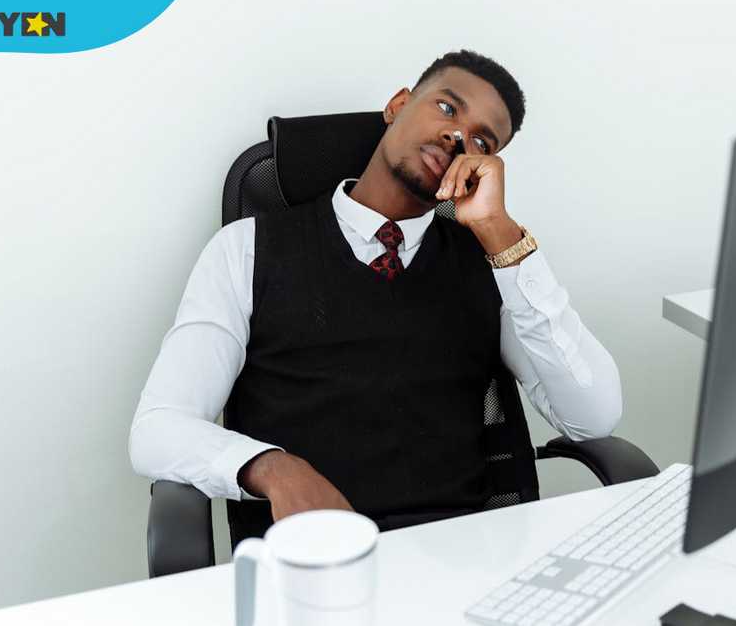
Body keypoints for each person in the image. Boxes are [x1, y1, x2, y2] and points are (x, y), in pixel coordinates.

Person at [129, 49, 623, 546]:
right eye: (448, 109)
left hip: (466, 560)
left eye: (481, 141)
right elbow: (158, 427)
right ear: (398, 105)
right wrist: (275, 469)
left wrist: (501, 235)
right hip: (314, 562)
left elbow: (593, 417)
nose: (457, 137)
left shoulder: (493, 264)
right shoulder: (246, 250)